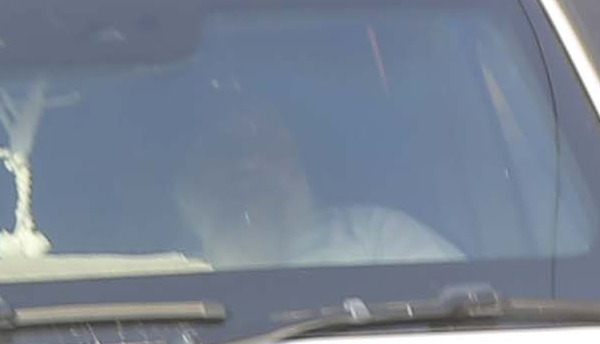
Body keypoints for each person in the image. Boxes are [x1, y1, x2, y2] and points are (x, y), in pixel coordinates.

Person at [172, 96, 454, 270]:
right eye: (226, 149)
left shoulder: (378, 236)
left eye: (266, 144)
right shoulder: (162, 278)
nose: (249, 163)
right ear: (190, 179)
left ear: (297, 159)